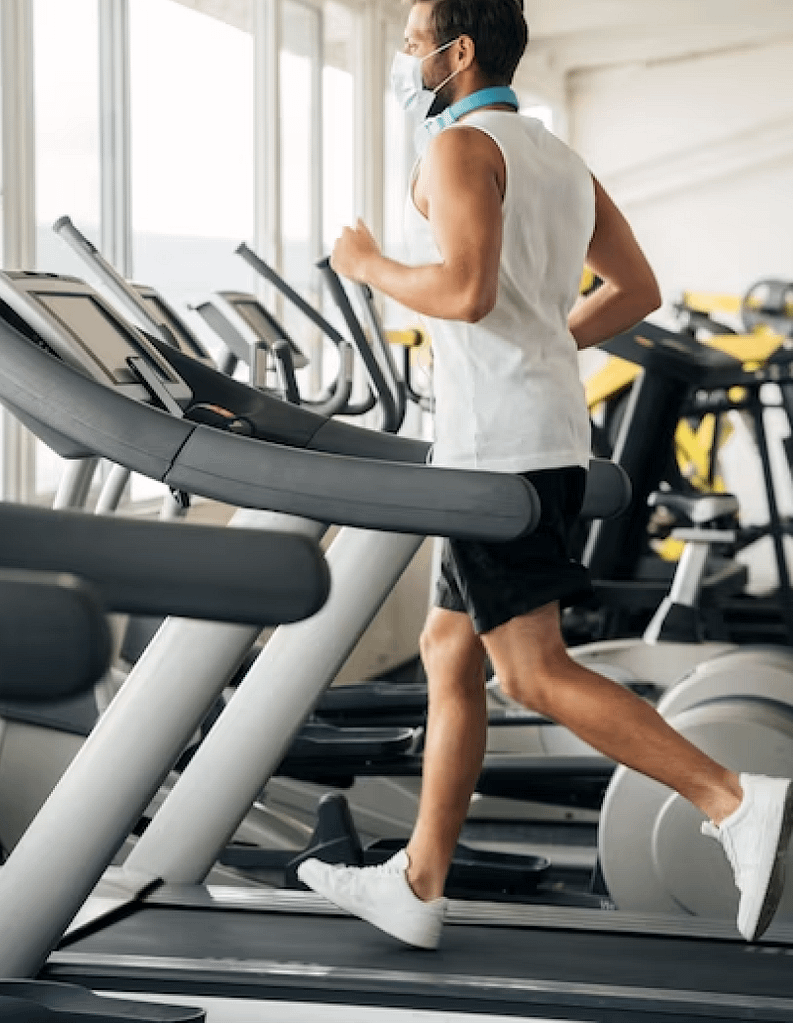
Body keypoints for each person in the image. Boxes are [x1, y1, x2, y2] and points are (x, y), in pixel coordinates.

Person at [298, 0, 793, 948]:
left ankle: (732, 799)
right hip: (545, 437)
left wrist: (367, 263)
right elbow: (637, 291)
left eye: (410, 45)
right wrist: (542, 345)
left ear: (460, 50)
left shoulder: (457, 149)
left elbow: (465, 291)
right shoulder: (560, 157)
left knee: (530, 672)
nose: (406, 61)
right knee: (451, 652)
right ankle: (418, 882)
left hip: (499, 456)